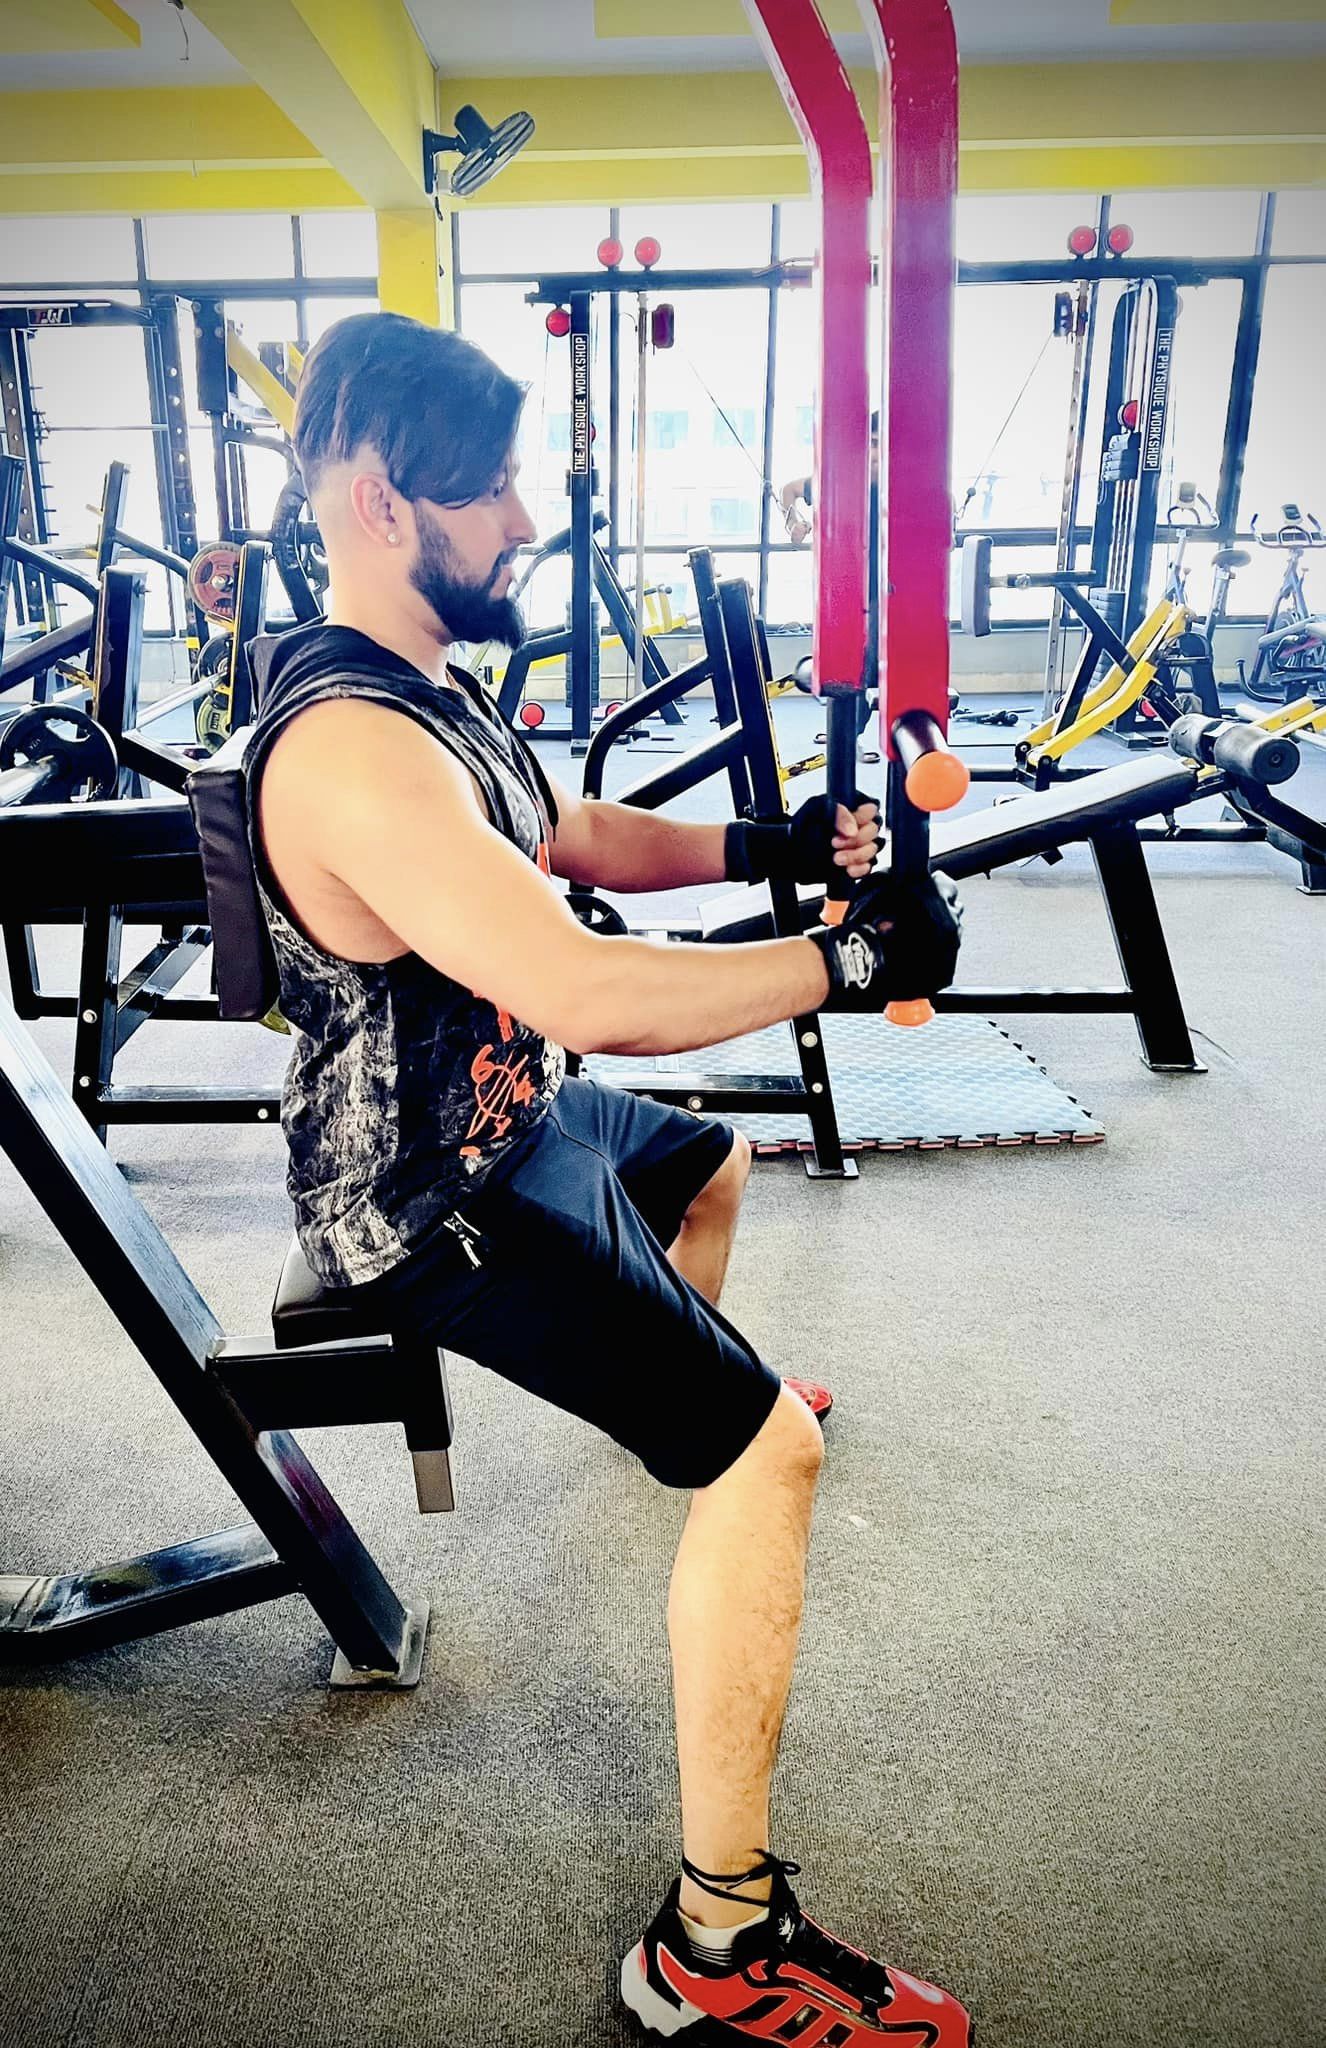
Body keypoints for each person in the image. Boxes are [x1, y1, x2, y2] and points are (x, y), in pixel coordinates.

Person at [246, 312, 969, 2045]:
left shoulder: (428, 686)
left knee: (711, 1165)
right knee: (772, 1451)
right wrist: (841, 961)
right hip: (427, 1197)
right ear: (379, 499)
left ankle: (682, 1419)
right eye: (489, 488)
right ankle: (714, 1943)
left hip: (517, 1115)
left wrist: (762, 848)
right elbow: (586, 988)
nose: (525, 518)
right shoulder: (351, 744)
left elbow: (561, 831)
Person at [780, 414, 881, 756]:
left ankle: (851, 732)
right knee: (853, 659)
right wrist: (793, 521)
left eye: (883, 446)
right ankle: (847, 731)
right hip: (845, 586)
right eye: (872, 444)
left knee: (871, 661)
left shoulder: (901, 484)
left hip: (888, 589)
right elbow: (789, 491)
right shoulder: (838, 479)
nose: (876, 455)